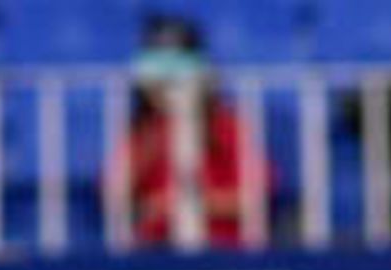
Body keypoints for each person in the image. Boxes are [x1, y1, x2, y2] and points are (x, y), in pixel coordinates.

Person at [104, 13, 274, 248]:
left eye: (175, 77)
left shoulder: (229, 127)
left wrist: (187, 204)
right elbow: (115, 195)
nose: (166, 88)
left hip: (224, 249)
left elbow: (254, 198)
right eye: (158, 80)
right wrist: (151, 145)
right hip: (154, 252)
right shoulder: (142, 132)